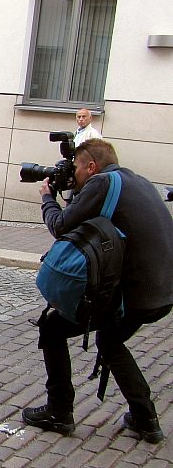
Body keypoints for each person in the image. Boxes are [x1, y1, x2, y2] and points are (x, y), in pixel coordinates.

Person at [22, 138, 173, 444]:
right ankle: (145, 419)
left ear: (91, 166)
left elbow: (61, 226)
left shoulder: (101, 183)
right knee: (111, 340)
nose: (74, 173)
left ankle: (59, 411)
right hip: (163, 290)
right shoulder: (134, 180)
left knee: (52, 328)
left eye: (76, 167)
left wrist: (47, 197)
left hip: (138, 294)